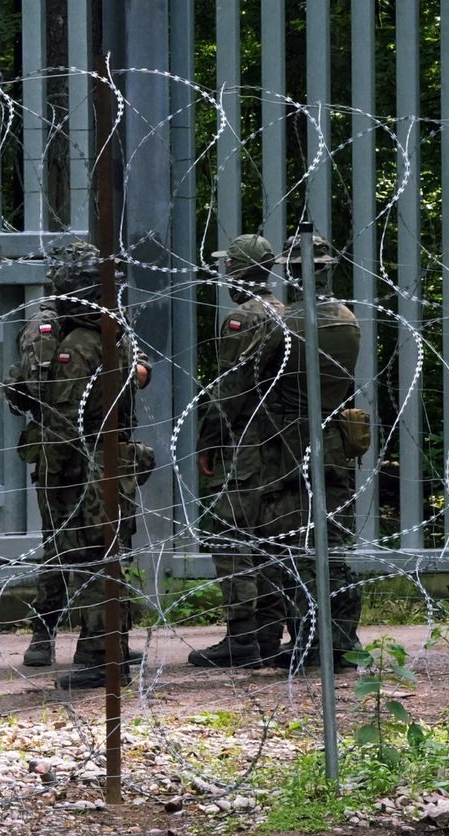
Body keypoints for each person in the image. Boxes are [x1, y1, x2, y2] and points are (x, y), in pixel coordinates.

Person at [4, 242, 153, 690]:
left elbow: (64, 417)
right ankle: (107, 649)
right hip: (106, 458)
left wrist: (57, 466)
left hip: (82, 465)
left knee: (92, 556)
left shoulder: (81, 343)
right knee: (105, 553)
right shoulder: (109, 334)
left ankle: (99, 657)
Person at [258, 231, 363, 670]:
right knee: (332, 543)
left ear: (292, 272)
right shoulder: (347, 319)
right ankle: (341, 639)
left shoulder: (289, 323)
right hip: (334, 437)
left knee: (295, 543)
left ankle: (311, 638)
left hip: (290, 441)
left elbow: (259, 377)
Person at [188, 234, 287, 668]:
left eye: (228, 267)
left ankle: (242, 636)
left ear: (239, 270)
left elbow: (230, 389)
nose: (224, 274)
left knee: (229, 532)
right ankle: (268, 633)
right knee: (269, 536)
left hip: (247, 440)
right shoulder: (285, 312)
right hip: (281, 442)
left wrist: (209, 440)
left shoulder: (243, 318)